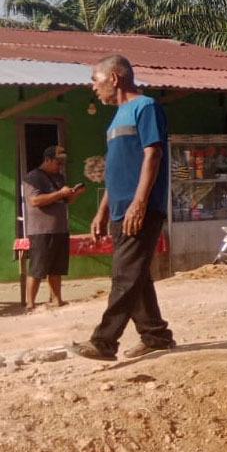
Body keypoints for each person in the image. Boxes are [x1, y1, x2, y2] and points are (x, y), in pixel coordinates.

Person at [72, 55, 176, 362]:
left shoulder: (146, 107)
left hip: (139, 209)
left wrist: (139, 203)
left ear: (114, 78)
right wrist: (102, 210)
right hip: (119, 209)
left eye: (95, 79)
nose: (93, 87)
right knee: (136, 275)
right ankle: (156, 336)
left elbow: (152, 156)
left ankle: (104, 342)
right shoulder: (117, 117)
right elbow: (115, 170)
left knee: (124, 274)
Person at [21, 145, 87, 310]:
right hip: (41, 230)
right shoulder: (33, 177)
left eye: (62, 163)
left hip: (60, 229)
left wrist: (74, 193)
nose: (60, 166)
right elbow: (35, 201)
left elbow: (66, 201)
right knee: (37, 268)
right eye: (58, 162)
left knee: (56, 268)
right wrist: (60, 193)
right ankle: (30, 304)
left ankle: (57, 300)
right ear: (47, 159)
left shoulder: (59, 177)